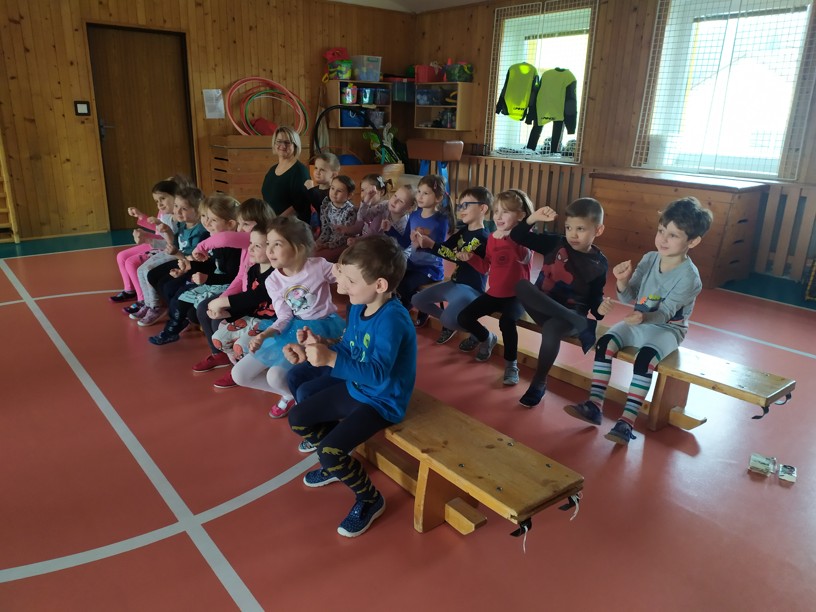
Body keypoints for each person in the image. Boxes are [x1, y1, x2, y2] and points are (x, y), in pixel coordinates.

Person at [286, 234, 415, 537]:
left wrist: (330, 359)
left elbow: (378, 375)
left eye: (350, 280)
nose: (342, 286)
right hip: (357, 387)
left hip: (383, 401)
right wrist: (319, 345)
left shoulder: (393, 320)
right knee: (298, 418)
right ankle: (336, 462)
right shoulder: (359, 304)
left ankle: (370, 499)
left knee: (329, 452)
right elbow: (350, 347)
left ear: (379, 285)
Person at [563, 196, 713, 445]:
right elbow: (629, 295)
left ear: (693, 241)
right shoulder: (650, 258)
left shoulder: (689, 277)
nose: (663, 239)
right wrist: (622, 281)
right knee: (605, 343)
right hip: (639, 322)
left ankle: (627, 422)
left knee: (644, 360)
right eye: (661, 231)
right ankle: (595, 405)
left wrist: (643, 316)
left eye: (673, 235)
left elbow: (665, 313)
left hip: (667, 330)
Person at [231, 216, 345, 418]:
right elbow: (284, 315)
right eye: (268, 244)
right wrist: (264, 335)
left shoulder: (318, 266)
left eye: (277, 244)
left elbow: (346, 277)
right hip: (293, 327)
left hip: (323, 327)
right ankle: (291, 395)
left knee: (275, 376)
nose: (269, 250)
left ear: (298, 248)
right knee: (239, 374)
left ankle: (306, 400)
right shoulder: (273, 280)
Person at [511, 197, 611, 407]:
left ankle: (539, 382)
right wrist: (532, 218)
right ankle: (579, 322)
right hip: (543, 306)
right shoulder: (556, 243)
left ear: (598, 230)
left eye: (580, 229)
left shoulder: (599, 263)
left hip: (568, 319)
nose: (573, 234)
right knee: (521, 285)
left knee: (552, 328)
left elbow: (595, 299)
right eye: (568, 227)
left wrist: (600, 310)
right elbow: (517, 236)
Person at [188, 198, 276, 388]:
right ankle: (222, 356)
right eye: (240, 223)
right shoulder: (249, 245)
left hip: (257, 304)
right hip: (246, 297)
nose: (240, 229)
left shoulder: (257, 238)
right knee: (205, 309)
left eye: (246, 224)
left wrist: (201, 247)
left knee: (219, 320)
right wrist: (222, 299)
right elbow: (240, 277)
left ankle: (240, 364)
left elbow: (224, 239)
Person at [456, 189, 533, 385]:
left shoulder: (525, 238)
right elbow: (486, 267)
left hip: (516, 296)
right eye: (496, 211)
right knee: (464, 317)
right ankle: (486, 338)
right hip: (495, 293)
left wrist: (507, 237)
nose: (498, 217)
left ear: (521, 216)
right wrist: (471, 257)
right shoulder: (492, 238)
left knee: (507, 322)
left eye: (505, 212)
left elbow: (522, 256)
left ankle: (511, 364)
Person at [148, 194, 242, 345]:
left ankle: (214, 344)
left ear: (230, 224)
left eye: (213, 220)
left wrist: (207, 278)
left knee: (192, 307)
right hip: (215, 281)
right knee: (181, 297)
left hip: (228, 286)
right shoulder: (214, 238)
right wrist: (190, 266)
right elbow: (212, 264)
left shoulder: (233, 247)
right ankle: (171, 331)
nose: (206, 223)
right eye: (204, 216)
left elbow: (232, 277)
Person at [411, 186, 492, 346]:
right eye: (460, 205)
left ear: (482, 208)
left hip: (472, 289)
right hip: (454, 284)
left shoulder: (483, 237)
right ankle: (453, 322)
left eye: (466, 205)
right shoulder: (463, 232)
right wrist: (424, 239)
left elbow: (457, 257)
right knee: (417, 300)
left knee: (448, 320)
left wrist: (431, 245)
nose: (461, 209)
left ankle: (482, 334)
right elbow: (445, 248)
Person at [131, 186, 208, 327]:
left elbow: (194, 258)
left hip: (190, 264)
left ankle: (176, 313)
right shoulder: (183, 225)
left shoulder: (201, 231)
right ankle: (160, 306)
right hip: (180, 259)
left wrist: (177, 255)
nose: (177, 211)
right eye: (176, 206)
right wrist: (166, 231)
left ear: (197, 210)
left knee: (166, 284)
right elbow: (174, 242)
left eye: (183, 208)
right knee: (152, 275)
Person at [206, 223, 276, 368]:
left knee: (241, 347)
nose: (250, 248)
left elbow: (256, 295)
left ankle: (251, 368)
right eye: (250, 243)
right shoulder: (253, 270)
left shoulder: (276, 273)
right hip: (252, 317)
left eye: (257, 246)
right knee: (218, 339)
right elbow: (249, 303)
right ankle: (241, 365)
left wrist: (222, 302)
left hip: (271, 321)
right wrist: (227, 313)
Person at [393, 174, 454, 325]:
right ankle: (409, 307)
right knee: (393, 278)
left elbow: (440, 248)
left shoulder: (441, 220)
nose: (420, 196)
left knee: (405, 285)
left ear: (438, 198)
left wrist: (424, 242)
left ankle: (417, 308)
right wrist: (390, 230)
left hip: (430, 268)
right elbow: (405, 241)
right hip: (412, 264)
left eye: (425, 193)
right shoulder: (414, 215)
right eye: (419, 191)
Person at [110, 178, 179, 308]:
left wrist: (146, 237)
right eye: (157, 200)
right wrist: (141, 218)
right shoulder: (164, 212)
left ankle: (142, 299)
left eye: (163, 198)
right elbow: (158, 230)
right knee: (121, 256)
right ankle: (129, 290)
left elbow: (167, 238)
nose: (159, 203)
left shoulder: (175, 215)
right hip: (158, 242)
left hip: (161, 245)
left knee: (131, 262)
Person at [260, 126, 311, 222]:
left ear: (295, 145)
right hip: (272, 223)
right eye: (279, 141)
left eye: (287, 142)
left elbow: (299, 205)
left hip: (290, 226)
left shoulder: (300, 171)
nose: (283, 146)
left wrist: (276, 222)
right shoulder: (272, 170)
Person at [313, 175, 357, 262]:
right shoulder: (327, 206)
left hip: (344, 244)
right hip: (329, 241)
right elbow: (326, 229)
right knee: (309, 252)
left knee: (318, 259)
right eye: (332, 188)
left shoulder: (350, 211)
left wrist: (326, 245)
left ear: (349, 195)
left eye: (339, 191)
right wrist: (319, 242)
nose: (334, 193)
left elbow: (346, 236)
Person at [340, 174, 390, 244]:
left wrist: (357, 240)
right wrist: (347, 230)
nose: (365, 194)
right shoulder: (366, 206)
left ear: (381, 192)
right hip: (364, 241)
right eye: (362, 190)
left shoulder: (382, 209)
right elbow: (359, 224)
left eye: (370, 191)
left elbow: (373, 233)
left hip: (376, 244)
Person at [305, 152, 340, 236]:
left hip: (328, 234)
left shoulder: (333, 193)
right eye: (316, 168)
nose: (317, 172)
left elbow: (321, 209)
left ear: (334, 174)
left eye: (322, 170)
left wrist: (310, 190)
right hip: (311, 231)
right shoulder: (314, 190)